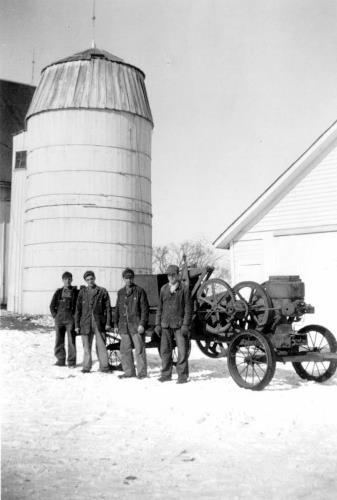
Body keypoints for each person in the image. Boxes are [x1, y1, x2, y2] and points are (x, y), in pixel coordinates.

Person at [155, 264, 192, 384]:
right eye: (169, 275)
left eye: (173, 275)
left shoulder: (184, 289)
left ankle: (182, 376)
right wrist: (157, 324)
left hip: (179, 326)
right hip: (165, 325)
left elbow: (188, 308)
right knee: (165, 351)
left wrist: (185, 325)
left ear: (178, 275)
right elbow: (159, 308)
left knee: (182, 351)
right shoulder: (163, 289)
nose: (171, 277)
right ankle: (166, 374)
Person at [114, 268, 149, 379]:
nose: (128, 280)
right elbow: (117, 309)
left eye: (130, 278)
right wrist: (115, 324)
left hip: (136, 326)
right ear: (123, 279)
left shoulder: (140, 291)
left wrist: (142, 324)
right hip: (124, 326)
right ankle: (129, 372)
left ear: (133, 278)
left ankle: (142, 373)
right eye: (126, 278)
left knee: (139, 350)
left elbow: (145, 310)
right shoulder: (120, 293)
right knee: (125, 350)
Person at [75, 270, 112, 373]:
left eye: (91, 279)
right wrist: (77, 325)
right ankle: (86, 367)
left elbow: (108, 308)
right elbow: (78, 310)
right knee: (86, 347)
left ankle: (104, 367)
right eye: (87, 280)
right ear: (85, 281)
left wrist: (108, 323)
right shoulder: (82, 292)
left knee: (101, 346)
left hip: (99, 322)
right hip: (85, 323)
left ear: (94, 278)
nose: (90, 281)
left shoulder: (102, 291)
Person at [50, 271, 78, 367]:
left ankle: (71, 362)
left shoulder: (75, 292)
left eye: (69, 279)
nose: (68, 281)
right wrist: (55, 316)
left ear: (72, 280)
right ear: (63, 280)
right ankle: (60, 360)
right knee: (59, 340)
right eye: (66, 279)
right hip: (59, 320)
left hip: (70, 319)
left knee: (71, 341)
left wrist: (74, 317)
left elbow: (78, 306)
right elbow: (52, 305)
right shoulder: (58, 292)